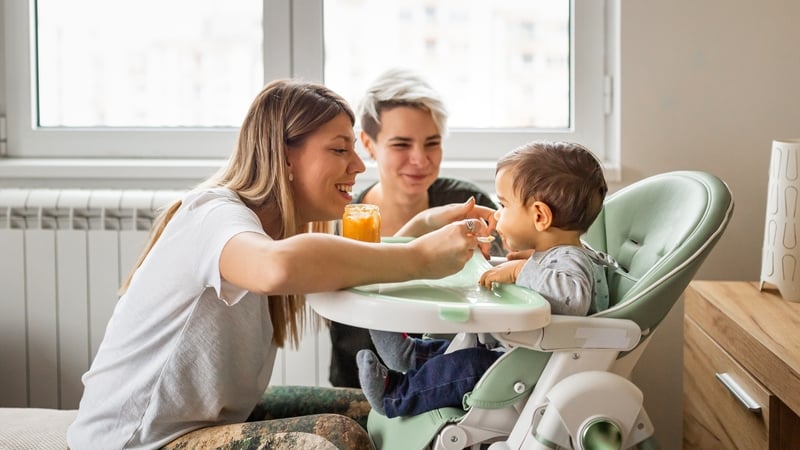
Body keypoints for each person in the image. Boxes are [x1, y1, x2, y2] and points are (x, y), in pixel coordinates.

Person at [66, 79, 495, 450]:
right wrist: (418, 257)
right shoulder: (214, 213)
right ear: (285, 156)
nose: (358, 165)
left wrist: (418, 229)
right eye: (338, 148)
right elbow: (276, 269)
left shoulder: (275, 232)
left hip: (206, 424)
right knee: (339, 437)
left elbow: (348, 270)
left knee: (383, 407)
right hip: (136, 440)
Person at [356, 140, 618, 418]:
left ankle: (397, 396)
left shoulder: (571, 257)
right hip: (515, 353)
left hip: (535, 368)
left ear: (540, 216)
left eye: (503, 205)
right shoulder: (556, 257)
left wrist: (520, 272)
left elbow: (572, 299)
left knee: (467, 366)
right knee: (459, 351)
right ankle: (409, 355)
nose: (496, 214)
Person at [329, 68, 502, 388]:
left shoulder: (463, 203)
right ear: (368, 143)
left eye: (432, 143)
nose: (420, 159)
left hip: (458, 385)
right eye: (401, 144)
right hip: (363, 390)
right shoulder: (343, 218)